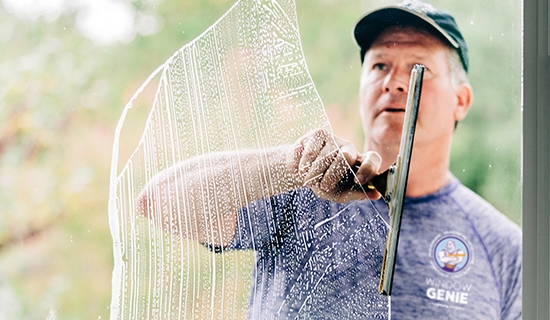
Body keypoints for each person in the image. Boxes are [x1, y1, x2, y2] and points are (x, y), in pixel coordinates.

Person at [136, 1, 522, 319]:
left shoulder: (504, 248)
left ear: (462, 100)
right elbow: (159, 203)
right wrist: (289, 165)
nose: (394, 81)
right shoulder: (302, 190)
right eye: (380, 66)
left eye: (418, 69)